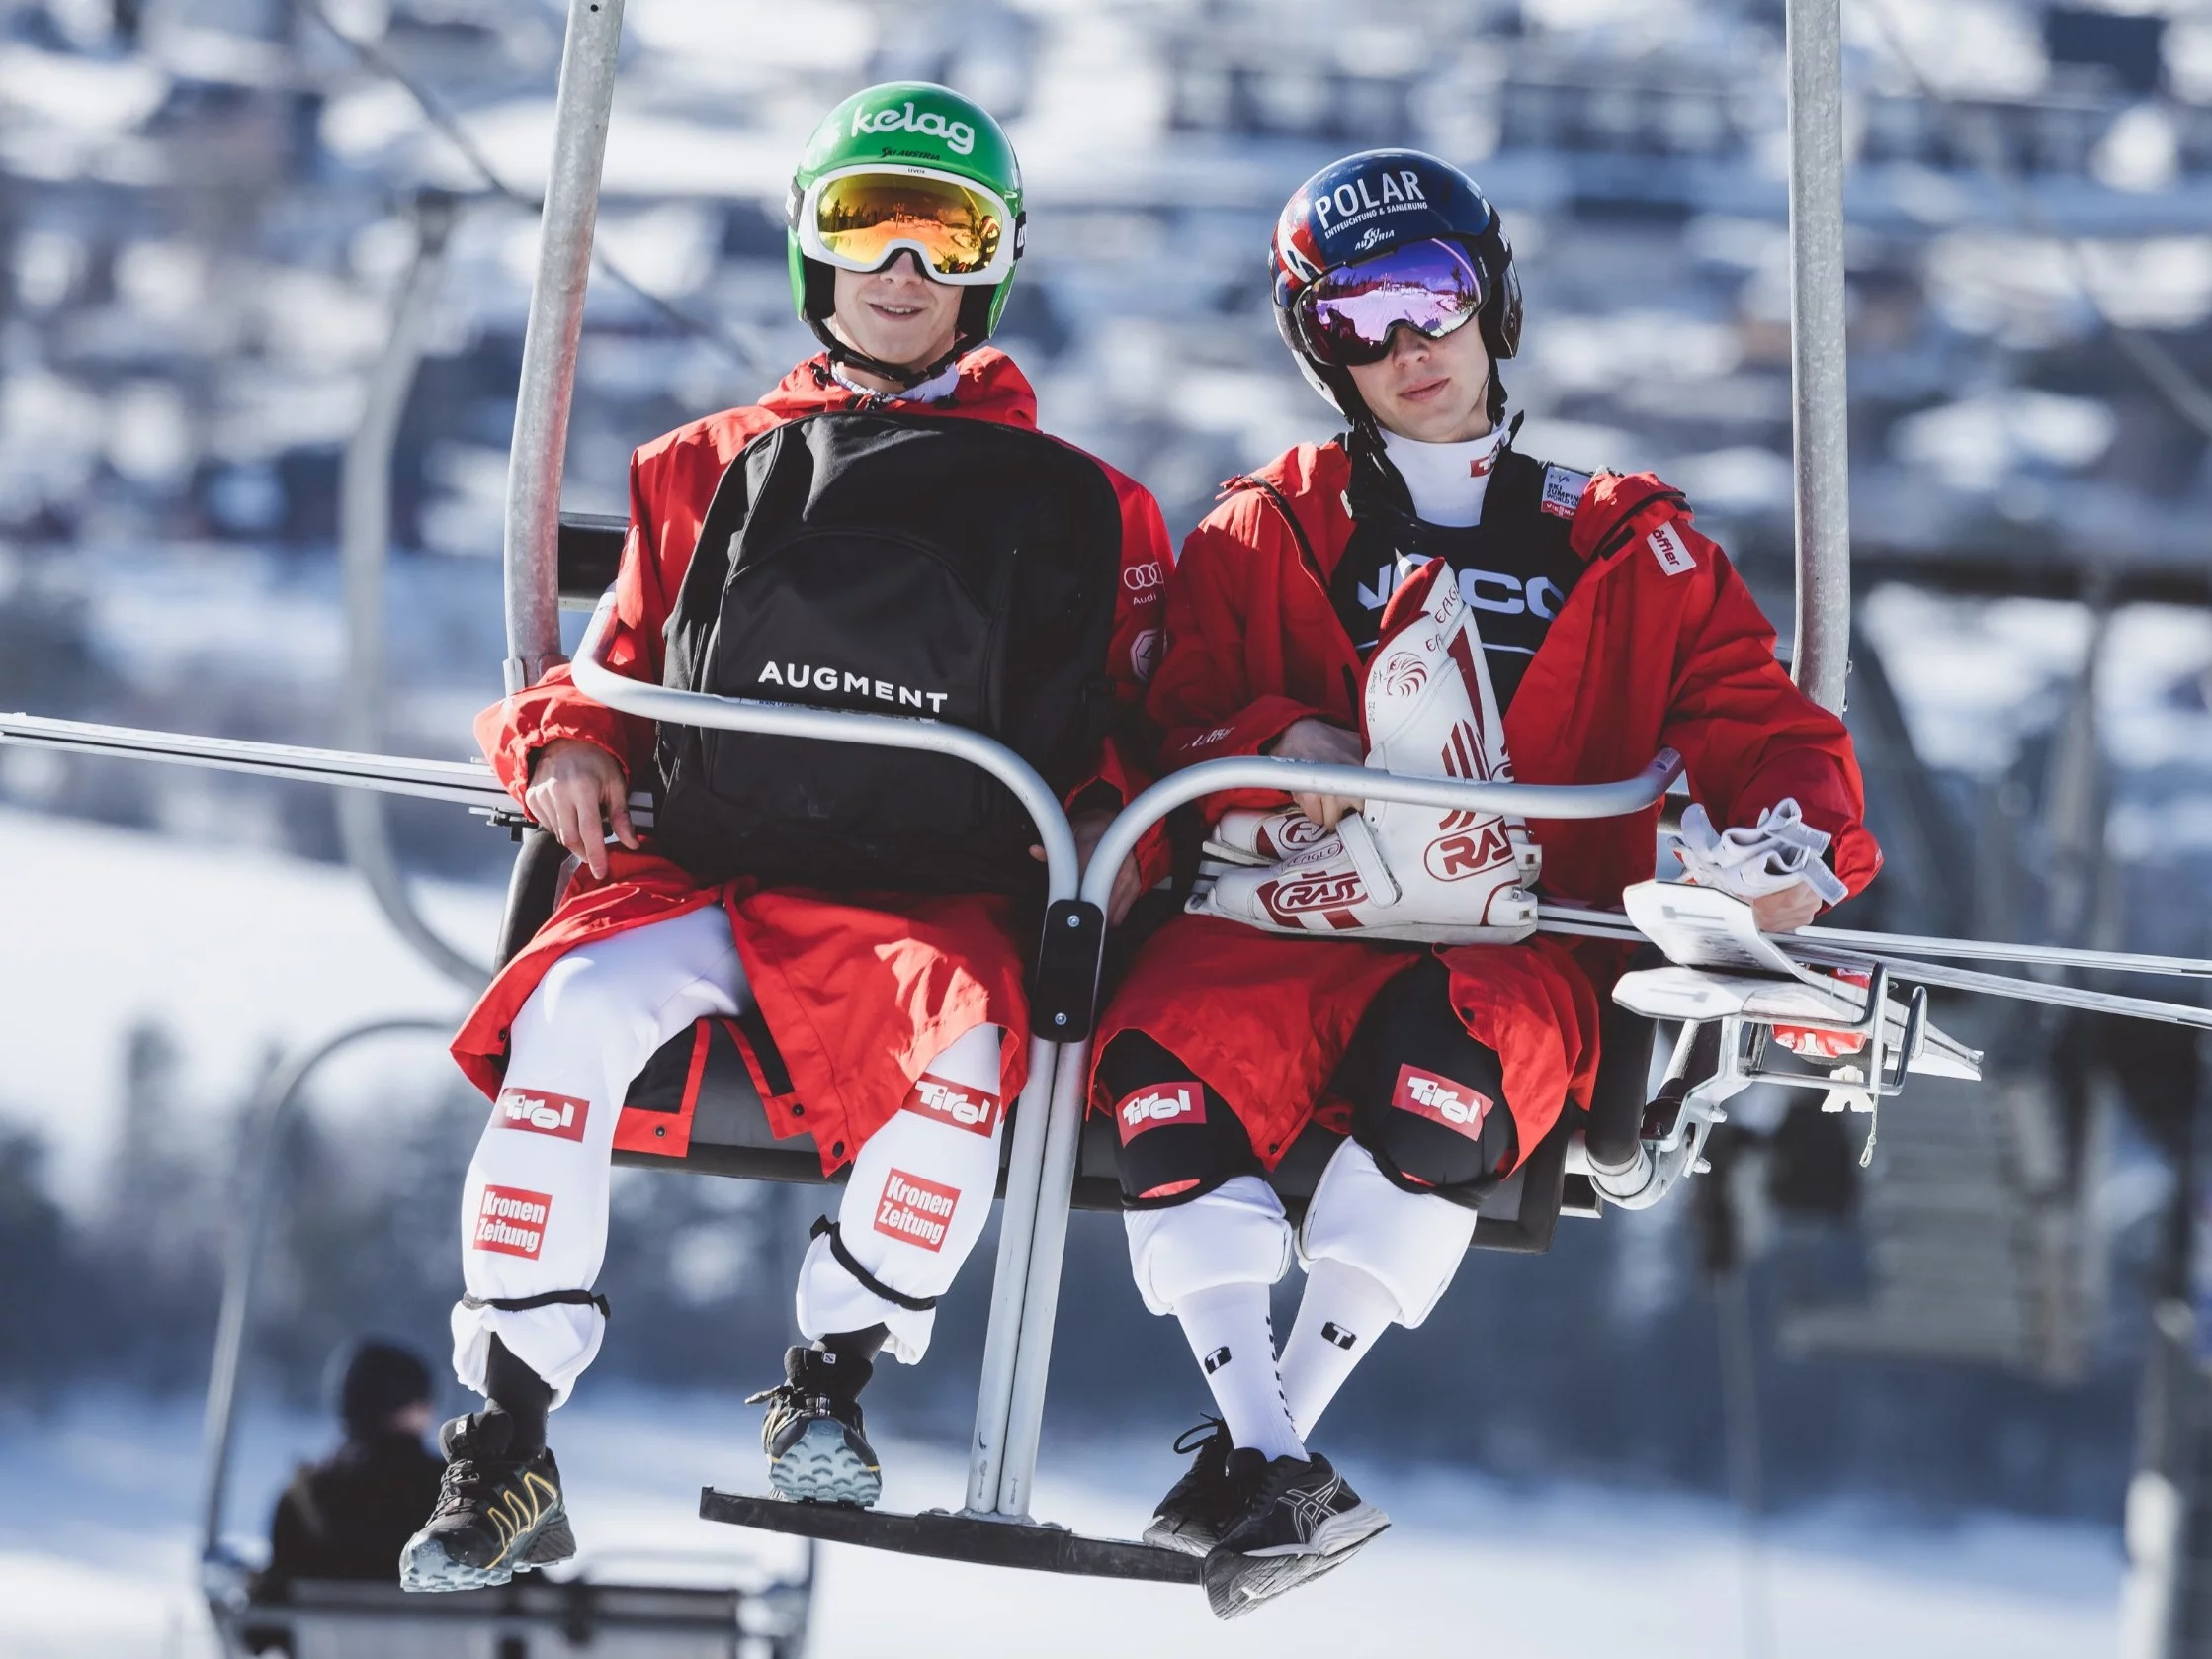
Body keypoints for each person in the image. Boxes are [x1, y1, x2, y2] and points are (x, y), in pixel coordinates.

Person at [1090, 148, 1882, 1617]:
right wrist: (1278, 740)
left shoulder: (1626, 546)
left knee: (1442, 1072)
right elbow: (1168, 719)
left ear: (1489, 299)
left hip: (1510, 945)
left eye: (1428, 298)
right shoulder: (1269, 526)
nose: (1404, 349)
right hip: (1281, 920)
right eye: (1354, 322)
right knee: (1159, 1064)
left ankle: (1268, 1449)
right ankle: (1267, 1456)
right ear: (1315, 348)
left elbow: (1761, 730)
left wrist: (1788, 855)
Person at [399, 82, 1168, 1593]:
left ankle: (832, 1375)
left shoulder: (1088, 508)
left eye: (943, 232)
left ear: (992, 264)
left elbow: (1131, 729)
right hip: (714, 866)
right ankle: (505, 1441)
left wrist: (1115, 841)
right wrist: (561, 742)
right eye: (861, 219)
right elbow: (611, 672)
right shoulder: (699, 465)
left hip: (924, 900)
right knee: (568, 1014)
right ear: (811, 246)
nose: (901, 264)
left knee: (966, 1062)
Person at [260, 1340, 445, 1586]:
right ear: (412, 1408)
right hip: (444, 1624)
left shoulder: (302, 1502)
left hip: (321, 1624)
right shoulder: (458, 1493)